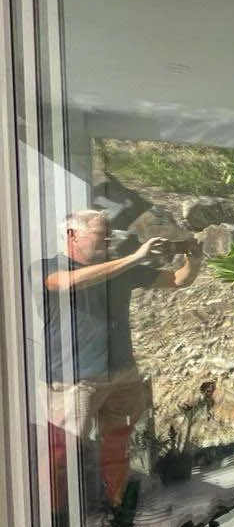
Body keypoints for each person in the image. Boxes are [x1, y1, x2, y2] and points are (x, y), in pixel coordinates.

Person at [41, 209, 198, 505]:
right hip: (74, 379)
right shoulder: (48, 267)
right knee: (62, 451)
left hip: (122, 373)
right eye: (102, 234)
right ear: (72, 235)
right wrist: (134, 258)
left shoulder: (119, 268)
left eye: (110, 233)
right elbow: (67, 283)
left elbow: (178, 280)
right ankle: (53, 517)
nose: (110, 239)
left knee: (119, 444)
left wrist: (194, 256)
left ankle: (118, 510)